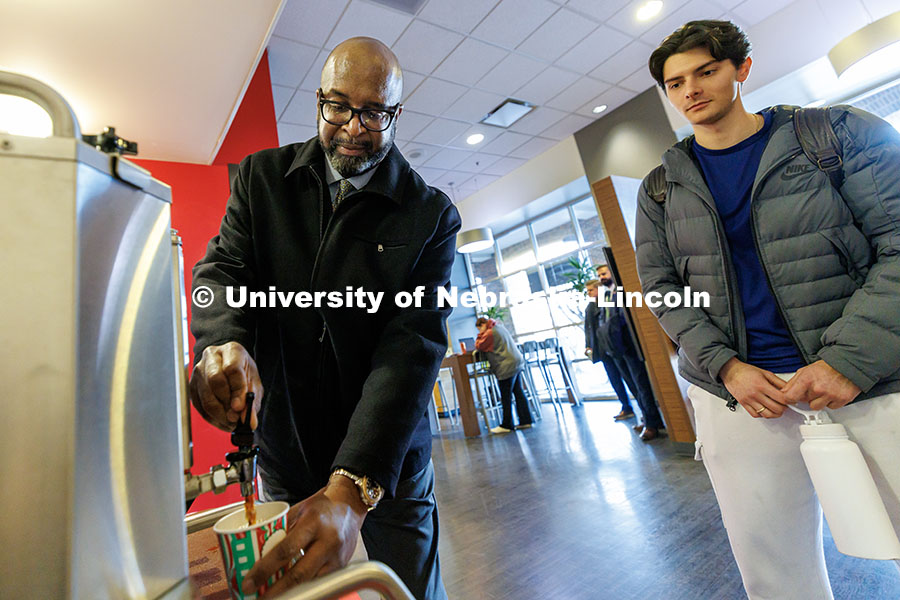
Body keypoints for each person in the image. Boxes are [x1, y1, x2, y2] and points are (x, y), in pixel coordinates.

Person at [636, 19, 900, 600]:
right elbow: (660, 287)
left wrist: (848, 361)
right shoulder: (661, 186)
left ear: (742, 69)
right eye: (675, 83)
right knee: (775, 572)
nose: (691, 91)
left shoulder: (836, 134)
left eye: (706, 71)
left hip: (868, 380)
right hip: (743, 398)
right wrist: (727, 369)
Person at [189, 37, 459, 600]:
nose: (354, 127)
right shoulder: (263, 179)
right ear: (318, 100)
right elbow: (221, 276)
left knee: (409, 588)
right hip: (288, 446)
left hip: (386, 462)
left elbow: (411, 348)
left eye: (375, 112)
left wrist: (354, 487)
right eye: (338, 105)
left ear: (396, 114)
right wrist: (222, 344)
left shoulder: (429, 214)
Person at [587, 270, 665, 440]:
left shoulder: (621, 292)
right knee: (633, 386)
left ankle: (652, 423)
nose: (602, 277)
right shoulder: (607, 296)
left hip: (628, 344)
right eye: (599, 275)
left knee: (641, 384)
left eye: (604, 274)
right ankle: (649, 418)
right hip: (615, 347)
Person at [584, 278, 635, 421]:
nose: (589, 293)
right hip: (602, 348)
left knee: (628, 377)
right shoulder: (590, 307)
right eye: (587, 291)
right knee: (614, 379)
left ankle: (639, 407)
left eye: (591, 290)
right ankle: (626, 406)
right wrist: (588, 345)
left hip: (613, 345)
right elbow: (588, 328)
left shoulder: (608, 301)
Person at [474, 317, 535, 434]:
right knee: (518, 392)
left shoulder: (489, 333)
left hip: (505, 365)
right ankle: (526, 420)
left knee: (506, 397)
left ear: (483, 324)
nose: (479, 331)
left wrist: (479, 336)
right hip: (517, 362)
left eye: (479, 328)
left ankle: (507, 425)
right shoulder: (499, 327)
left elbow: (479, 346)